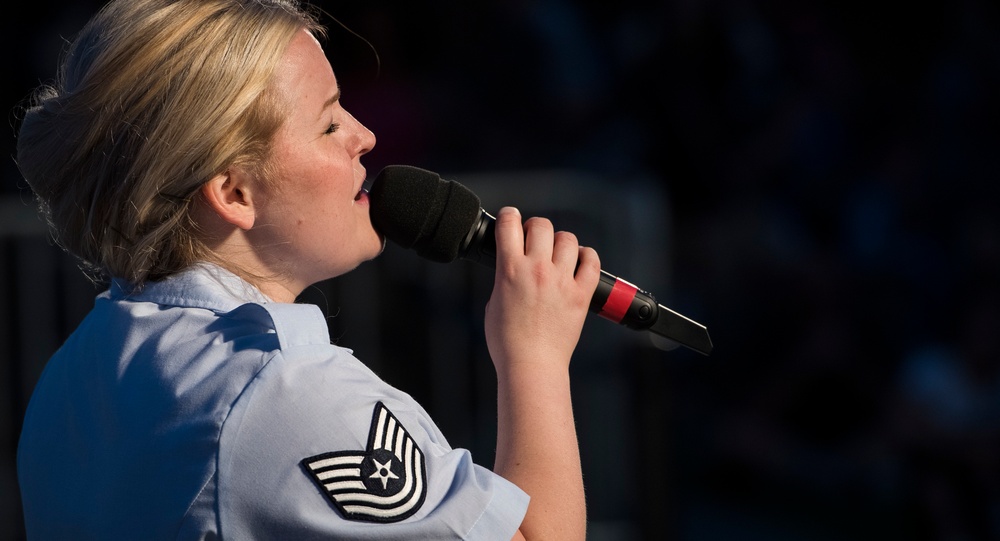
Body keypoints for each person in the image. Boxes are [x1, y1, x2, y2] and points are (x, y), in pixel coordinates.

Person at [14, 0, 600, 539]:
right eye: (328, 123)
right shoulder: (285, 395)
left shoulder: (75, 370)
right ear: (235, 191)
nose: (364, 136)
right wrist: (535, 353)